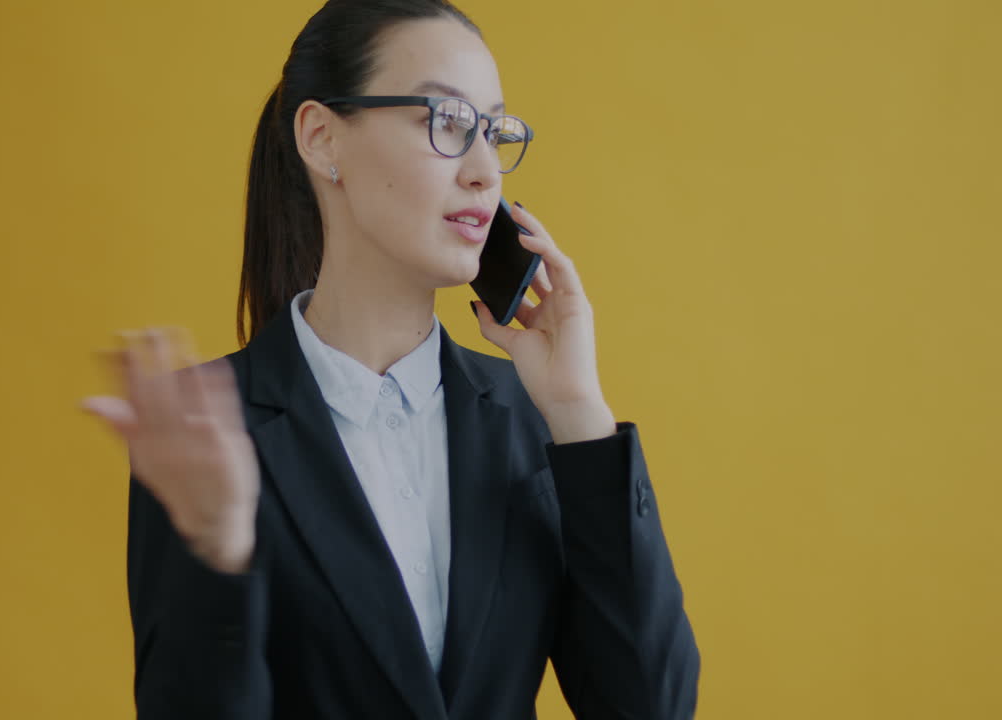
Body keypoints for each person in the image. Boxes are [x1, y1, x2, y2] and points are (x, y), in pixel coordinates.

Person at [81, 0, 701, 717]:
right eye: (445, 122)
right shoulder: (211, 429)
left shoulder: (532, 419)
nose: (482, 173)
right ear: (321, 139)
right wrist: (220, 559)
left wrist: (578, 414)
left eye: (492, 132)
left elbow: (652, 707)